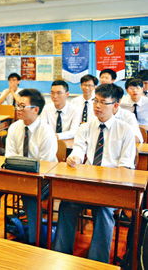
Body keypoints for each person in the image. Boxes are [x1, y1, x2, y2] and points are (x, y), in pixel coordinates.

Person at [54, 84, 136, 263]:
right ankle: (60, 255)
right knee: (67, 204)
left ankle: (96, 262)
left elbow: (125, 168)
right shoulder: (86, 127)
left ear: (115, 106)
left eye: (103, 103)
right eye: (95, 101)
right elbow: (78, 150)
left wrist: (108, 181)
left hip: (111, 187)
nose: (97, 106)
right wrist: (73, 159)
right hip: (87, 184)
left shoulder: (125, 130)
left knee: (104, 210)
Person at [0, 89, 56, 244]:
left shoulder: (46, 131)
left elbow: (45, 163)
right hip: (16, 175)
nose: (18, 110)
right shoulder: (15, 127)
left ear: (36, 109)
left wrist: (24, 171)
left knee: (30, 196)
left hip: (42, 179)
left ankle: (33, 241)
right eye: (17, 106)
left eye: (23, 106)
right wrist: (20, 170)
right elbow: (9, 155)